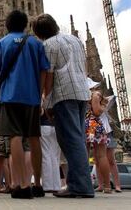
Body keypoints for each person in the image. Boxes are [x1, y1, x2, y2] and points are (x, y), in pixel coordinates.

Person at [32, 13, 94, 198]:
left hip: (64, 95)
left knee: (70, 140)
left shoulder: (48, 45)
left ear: (40, 34)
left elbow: (48, 77)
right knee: (78, 139)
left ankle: (80, 186)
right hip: (82, 93)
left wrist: (46, 102)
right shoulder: (74, 40)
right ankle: (79, 183)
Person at [0, 10, 49, 199]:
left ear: (6, 25)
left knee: (15, 137)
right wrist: (39, 95)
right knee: (33, 138)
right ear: (25, 25)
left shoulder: (0, 44)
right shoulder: (36, 44)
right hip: (31, 97)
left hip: (10, 97)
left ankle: (22, 185)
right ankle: (37, 184)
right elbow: (44, 71)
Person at [85, 89, 111, 193]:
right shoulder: (95, 95)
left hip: (85, 124)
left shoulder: (83, 92)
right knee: (102, 156)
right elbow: (96, 111)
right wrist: (103, 107)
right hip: (94, 125)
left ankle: (85, 184)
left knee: (84, 155)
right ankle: (107, 186)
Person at [40, 98, 61, 193]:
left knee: (46, 155)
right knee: (55, 156)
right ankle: (56, 185)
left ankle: (47, 185)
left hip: (44, 125)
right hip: (56, 126)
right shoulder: (56, 97)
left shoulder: (42, 98)